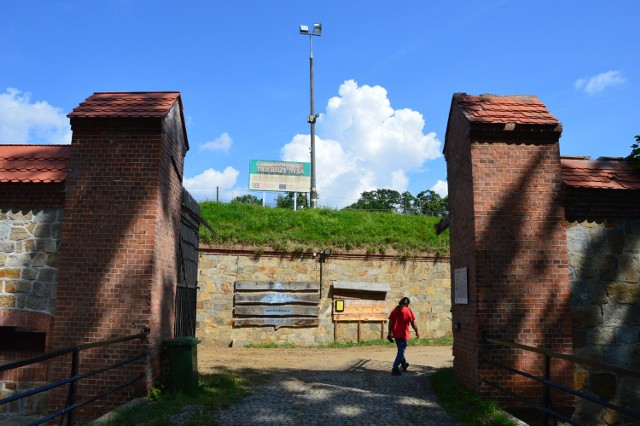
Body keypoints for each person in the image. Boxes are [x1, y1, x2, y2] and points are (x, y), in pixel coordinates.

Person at [387, 296, 419, 376]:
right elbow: (413, 323)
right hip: (403, 335)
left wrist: (389, 332)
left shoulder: (395, 310)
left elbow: (390, 322)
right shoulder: (407, 310)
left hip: (396, 334)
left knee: (401, 350)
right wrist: (417, 331)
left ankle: (404, 365)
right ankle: (394, 368)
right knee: (401, 352)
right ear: (407, 304)